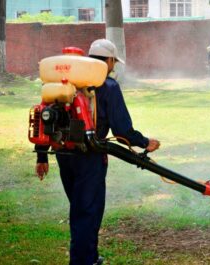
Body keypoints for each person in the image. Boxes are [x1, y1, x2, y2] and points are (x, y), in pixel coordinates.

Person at [35, 39, 160, 265]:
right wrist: (144, 142)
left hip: (64, 154)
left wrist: (41, 155)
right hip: (90, 156)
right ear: (109, 60)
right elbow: (122, 128)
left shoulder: (61, 82)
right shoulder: (107, 85)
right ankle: (82, 261)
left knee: (80, 207)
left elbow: (46, 118)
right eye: (114, 62)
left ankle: (89, 257)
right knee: (87, 211)